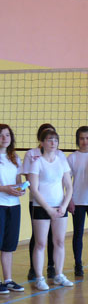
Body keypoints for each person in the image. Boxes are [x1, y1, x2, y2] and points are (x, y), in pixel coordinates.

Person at [27, 129, 74, 291]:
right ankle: (39, 278)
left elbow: (69, 187)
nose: (53, 143)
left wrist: (63, 206)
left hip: (60, 207)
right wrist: (48, 209)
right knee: (40, 243)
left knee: (59, 242)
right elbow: (34, 189)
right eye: (49, 140)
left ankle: (59, 274)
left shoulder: (62, 162)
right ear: (42, 143)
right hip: (41, 207)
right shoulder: (37, 163)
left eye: (55, 140)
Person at [23, 123, 58, 281]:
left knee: (52, 236)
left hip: (55, 202)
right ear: (41, 138)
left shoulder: (58, 155)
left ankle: (51, 266)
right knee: (37, 236)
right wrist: (38, 196)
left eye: (53, 137)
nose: (51, 140)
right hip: (36, 201)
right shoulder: (32, 154)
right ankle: (34, 268)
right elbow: (28, 178)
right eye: (46, 136)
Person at [67, 126, 88, 277]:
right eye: (81, 138)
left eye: (87, 138)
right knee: (78, 234)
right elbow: (66, 182)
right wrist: (69, 200)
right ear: (77, 140)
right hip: (78, 201)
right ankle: (78, 264)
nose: (85, 141)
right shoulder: (72, 158)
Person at [0, 124, 25, 294]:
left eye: (7, 135)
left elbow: (18, 180)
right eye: (1, 135)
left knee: (9, 245)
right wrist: (4, 189)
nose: (4, 138)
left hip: (14, 206)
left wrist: (20, 189)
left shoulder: (15, 157)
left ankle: (8, 280)